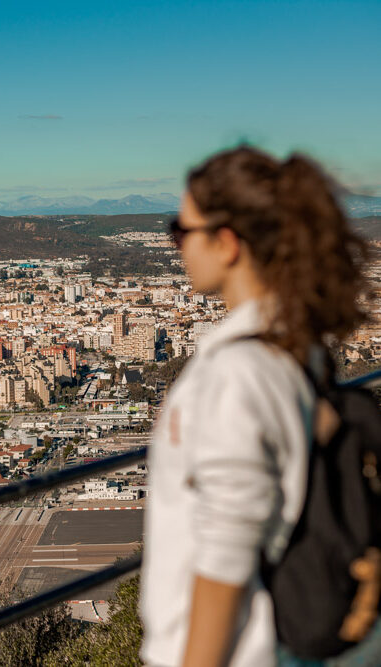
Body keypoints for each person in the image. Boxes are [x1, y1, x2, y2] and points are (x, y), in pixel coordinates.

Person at [140, 146, 370, 667]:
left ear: (226, 243)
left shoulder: (236, 374)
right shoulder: (296, 348)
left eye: (182, 229)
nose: (175, 244)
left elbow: (225, 553)